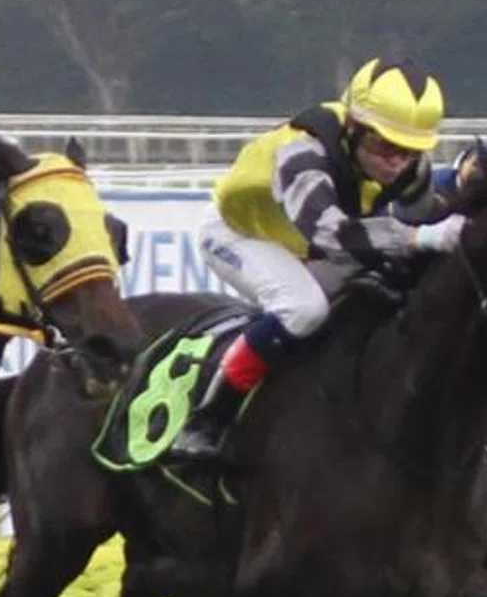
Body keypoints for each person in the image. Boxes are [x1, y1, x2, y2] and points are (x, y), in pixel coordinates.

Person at [168, 58, 465, 462]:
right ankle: (208, 418)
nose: (396, 161)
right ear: (353, 127)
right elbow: (331, 231)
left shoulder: (411, 169)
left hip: (309, 242)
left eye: (410, 151)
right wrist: (420, 238)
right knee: (303, 309)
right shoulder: (302, 151)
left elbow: (427, 211)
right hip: (239, 233)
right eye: (384, 144)